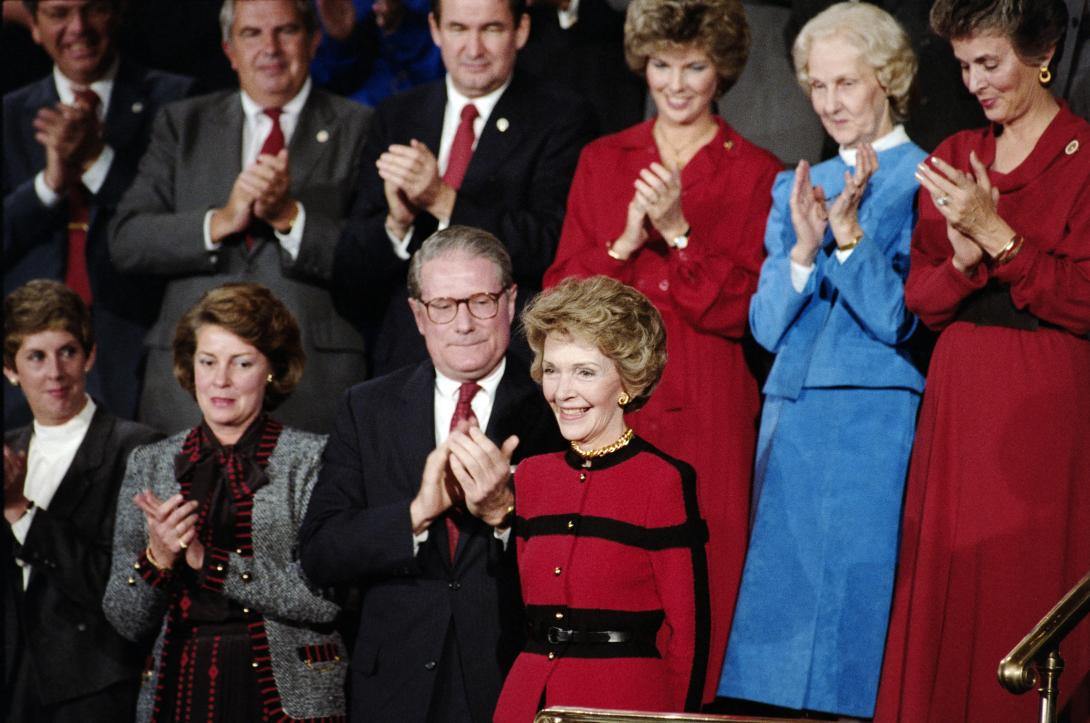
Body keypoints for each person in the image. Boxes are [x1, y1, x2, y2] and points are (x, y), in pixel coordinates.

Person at [543, 0, 782, 699]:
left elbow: (747, 311)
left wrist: (678, 233)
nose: (676, 84)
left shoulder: (756, 171)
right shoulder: (602, 157)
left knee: (703, 573)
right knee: (607, 568)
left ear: (723, 70)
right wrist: (623, 241)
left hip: (708, 396)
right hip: (614, 397)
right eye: (662, 65)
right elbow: (561, 294)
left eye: (695, 66)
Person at [874, 1, 1090, 720]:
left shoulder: (1085, 157)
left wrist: (999, 236)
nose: (975, 82)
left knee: (1022, 586)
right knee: (950, 582)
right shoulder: (952, 155)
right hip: (959, 400)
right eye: (964, 65)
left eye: (989, 63)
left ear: (1042, 52)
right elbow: (922, 302)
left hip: (1042, 401)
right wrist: (965, 259)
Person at [717, 4, 925, 718]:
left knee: (850, 615)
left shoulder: (926, 177)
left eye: (848, 83)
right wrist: (804, 249)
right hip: (790, 408)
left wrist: (848, 241)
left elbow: (901, 317)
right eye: (818, 85)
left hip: (871, 405)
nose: (832, 102)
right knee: (779, 613)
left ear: (888, 80)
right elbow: (767, 328)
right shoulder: (792, 186)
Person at [299, 226, 565, 722]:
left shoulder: (554, 407)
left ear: (510, 303)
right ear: (419, 315)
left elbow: (582, 563)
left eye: (481, 301)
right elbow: (319, 552)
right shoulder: (367, 407)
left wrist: (505, 518)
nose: (463, 323)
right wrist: (417, 513)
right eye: (443, 305)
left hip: (508, 678)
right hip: (394, 686)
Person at [109, 0, 371, 435]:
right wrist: (219, 220)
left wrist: (291, 218)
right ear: (229, 49)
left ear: (314, 40)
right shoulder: (182, 124)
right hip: (187, 391)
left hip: (311, 385)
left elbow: (376, 253)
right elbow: (127, 239)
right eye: (252, 34)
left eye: (286, 30)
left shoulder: (359, 126)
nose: (269, 47)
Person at [102, 282, 347, 722]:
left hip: (283, 691)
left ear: (272, 369)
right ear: (188, 366)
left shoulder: (312, 460)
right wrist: (157, 560)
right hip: (180, 686)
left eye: (242, 362)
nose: (221, 380)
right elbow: (124, 618)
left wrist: (211, 562)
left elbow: (325, 598)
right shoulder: (150, 463)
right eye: (208, 361)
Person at [333, 0, 596, 376]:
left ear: (520, 31)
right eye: (458, 29)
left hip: (516, 367)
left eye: (490, 29)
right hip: (406, 366)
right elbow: (350, 271)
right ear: (435, 30)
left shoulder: (563, 118)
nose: (473, 49)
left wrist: (442, 200)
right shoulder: (396, 116)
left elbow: (551, 245)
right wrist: (398, 223)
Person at [494, 275, 710, 721]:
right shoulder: (532, 476)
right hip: (526, 699)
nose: (561, 391)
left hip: (623, 705)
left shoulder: (662, 481)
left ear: (627, 380)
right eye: (552, 370)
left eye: (585, 372)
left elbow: (689, 634)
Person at [3, 0, 194, 427]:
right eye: (58, 14)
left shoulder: (178, 104)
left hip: (138, 350)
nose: (78, 28)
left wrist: (97, 162)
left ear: (119, 12)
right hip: (28, 365)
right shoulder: (10, 116)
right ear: (34, 26)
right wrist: (48, 184)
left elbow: (177, 226)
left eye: (93, 9)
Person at [3, 279, 161, 722]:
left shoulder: (138, 450)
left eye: (67, 352)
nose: (55, 372)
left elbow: (119, 589)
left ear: (89, 356)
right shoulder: (7, 451)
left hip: (93, 688)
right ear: (10, 370)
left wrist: (20, 509)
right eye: (36, 357)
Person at [311, 0, 444, 107]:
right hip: (355, 117)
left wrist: (400, 26)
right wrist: (341, 42)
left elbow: (445, 69)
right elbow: (319, 85)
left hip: (429, 107)